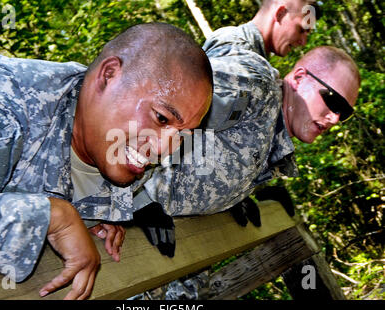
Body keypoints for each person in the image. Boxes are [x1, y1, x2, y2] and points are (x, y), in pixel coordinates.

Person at [0, 22, 213, 300]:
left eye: (182, 134)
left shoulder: (126, 153)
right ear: (109, 75)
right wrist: (54, 218)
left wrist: (87, 218)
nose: (165, 149)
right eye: (161, 118)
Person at [129, 0, 320, 257]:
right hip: (156, 206)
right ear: (282, 13)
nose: (302, 42)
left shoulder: (255, 58)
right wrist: (139, 198)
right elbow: (170, 114)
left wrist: (241, 192)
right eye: (301, 30)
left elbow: (223, 137)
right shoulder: (235, 46)